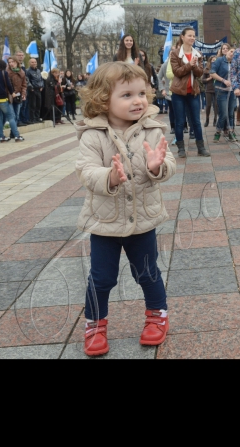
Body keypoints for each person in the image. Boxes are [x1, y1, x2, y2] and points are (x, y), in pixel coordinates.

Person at [76, 61, 177, 356]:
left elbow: (168, 164)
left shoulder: (152, 129)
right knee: (101, 277)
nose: (138, 101)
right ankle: (95, 325)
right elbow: (85, 171)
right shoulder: (92, 134)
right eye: (127, 95)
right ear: (103, 99)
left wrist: (157, 167)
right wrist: (109, 176)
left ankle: (157, 316)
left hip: (142, 220)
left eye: (141, 93)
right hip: (104, 222)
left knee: (147, 273)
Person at [170, 28, 210, 158]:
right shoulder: (175, 53)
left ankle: (201, 148)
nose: (192, 38)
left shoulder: (197, 53)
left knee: (196, 121)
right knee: (180, 121)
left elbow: (199, 73)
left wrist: (195, 65)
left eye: (194, 36)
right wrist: (190, 65)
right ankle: (181, 149)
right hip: (178, 92)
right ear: (182, 37)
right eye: (189, 36)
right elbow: (177, 72)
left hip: (193, 92)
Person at [211, 44, 238, 143]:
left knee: (231, 113)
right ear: (227, 51)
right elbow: (212, 73)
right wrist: (223, 80)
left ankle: (231, 133)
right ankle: (218, 132)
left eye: (234, 53)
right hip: (221, 90)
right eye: (231, 51)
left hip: (232, 91)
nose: (232, 54)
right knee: (224, 114)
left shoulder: (236, 62)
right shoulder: (219, 61)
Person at [7, 57, 28, 129]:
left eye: (13, 62)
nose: (11, 64)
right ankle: (14, 132)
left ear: (17, 62)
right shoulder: (7, 72)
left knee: (17, 114)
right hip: (10, 96)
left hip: (18, 96)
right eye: (9, 62)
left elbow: (24, 85)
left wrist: (23, 94)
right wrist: (11, 92)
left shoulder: (21, 72)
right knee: (12, 115)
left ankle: (13, 132)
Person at [26, 58, 44, 123]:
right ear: (29, 63)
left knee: (38, 105)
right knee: (32, 105)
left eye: (35, 62)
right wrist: (31, 87)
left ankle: (37, 118)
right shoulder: (28, 71)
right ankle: (32, 119)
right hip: (32, 90)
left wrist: (42, 86)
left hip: (39, 89)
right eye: (32, 62)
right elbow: (27, 80)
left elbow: (41, 79)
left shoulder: (38, 70)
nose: (34, 63)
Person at [203, 57, 218, 129]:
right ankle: (207, 119)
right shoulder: (206, 69)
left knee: (216, 105)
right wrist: (209, 78)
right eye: (213, 60)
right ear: (210, 61)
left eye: (215, 60)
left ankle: (215, 120)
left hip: (217, 89)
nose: (214, 61)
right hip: (208, 89)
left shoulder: (218, 68)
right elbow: (202, 80)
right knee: (208, 105)